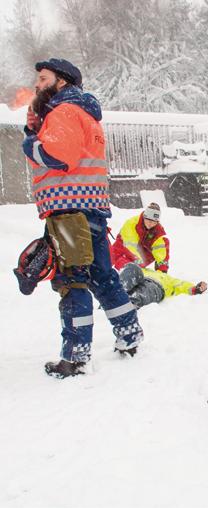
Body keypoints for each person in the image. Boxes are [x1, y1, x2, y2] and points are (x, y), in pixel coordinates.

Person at [21, 58, 143, 378]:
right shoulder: (87, 116)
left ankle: (75, 357)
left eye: (43, 79)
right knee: (102, 275)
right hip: (91, 208)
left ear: (61, 82)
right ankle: (129, 334)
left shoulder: (63, 112)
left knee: (71, 279)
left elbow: (58, 155)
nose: (37, 85)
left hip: (68, 210)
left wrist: (31, 144)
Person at [111, 202, 169, 273]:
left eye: (154, 222)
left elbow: (160, 250)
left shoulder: (157, 230)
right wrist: (139, 264)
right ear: (144, 217)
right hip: (122, 251)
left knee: (164, 241)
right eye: (149, 220)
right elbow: (130, 248)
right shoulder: (132, 224)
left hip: (139, 255)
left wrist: (162, 269)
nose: (151, 224)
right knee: (115, 265)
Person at [117, 263, 207, 309]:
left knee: (145, 292)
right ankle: (115, 294)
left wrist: (195, 289)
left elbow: (181, 285)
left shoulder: (168, 279)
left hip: (156, 286)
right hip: (139, 279)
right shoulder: (145, 269)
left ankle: (127, 304)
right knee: (132, 267)